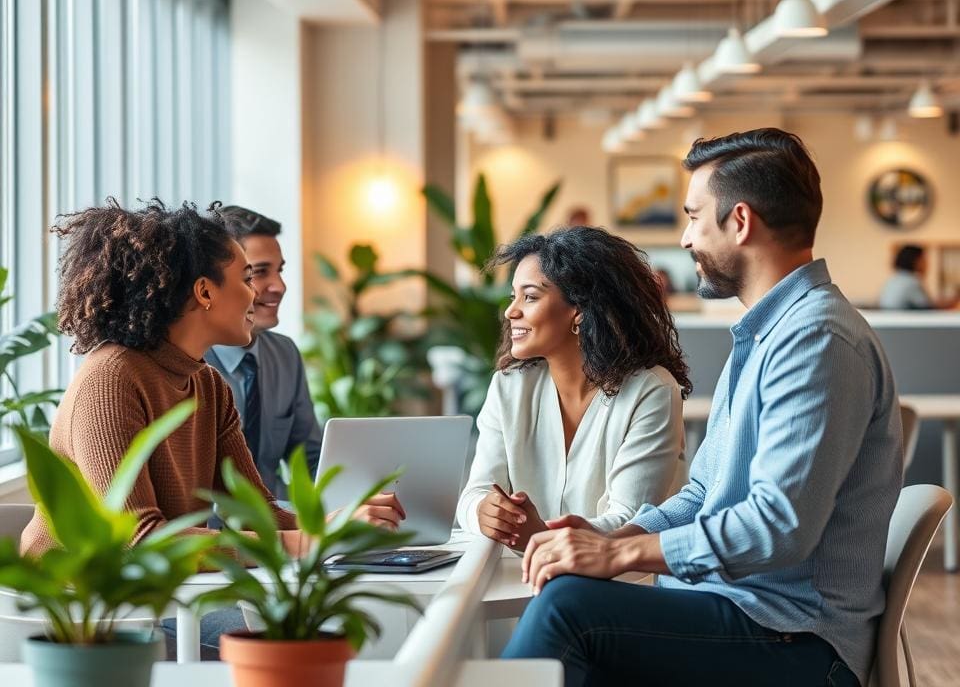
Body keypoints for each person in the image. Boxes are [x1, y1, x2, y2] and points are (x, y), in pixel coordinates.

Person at [502, 129, 902, 687]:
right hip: (743, 613)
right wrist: (609, 539)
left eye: (694, 217)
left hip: (795, 639)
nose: (686, 239)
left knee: (569, 611)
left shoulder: (818, 339)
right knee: (573, 596)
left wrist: (622, 556)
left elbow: (777, 526)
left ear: (739, 222)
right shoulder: (771, 336)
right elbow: (702, 494)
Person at [20, 199, 301, 556]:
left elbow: (257, 515)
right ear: (204, 292)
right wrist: (296, 544)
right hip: (76, 600)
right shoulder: (111, 379)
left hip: (159, 597)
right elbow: (139, 540)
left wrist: (342, 526)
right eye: (247, 279)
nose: (256, 293)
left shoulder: (209, 386)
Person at [455, 226, 691, 550]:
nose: (511, 311)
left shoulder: (650, 392)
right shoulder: (509, 387)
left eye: (530, 296)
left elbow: (631, 521)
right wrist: (483, 511)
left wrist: (543, 535)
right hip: (521, 577)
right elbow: (474, 494)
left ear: (578, 310)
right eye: (514, 296)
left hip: (621, 586)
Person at [205, 206, 401, 529]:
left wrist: (358, 502)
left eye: (279, 270)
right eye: (258, 272)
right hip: (210, 542)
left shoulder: (284, 355)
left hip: (280, 530)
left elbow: (312, 461)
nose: (279, 286)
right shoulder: (190, 365)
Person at [878, 244, 957, 310]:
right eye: (923, 259)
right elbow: (927, 307)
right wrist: (954, 300)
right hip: (903, 325)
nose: (927, 263)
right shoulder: (911, 281)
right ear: (915, 261)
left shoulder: (895, 279)